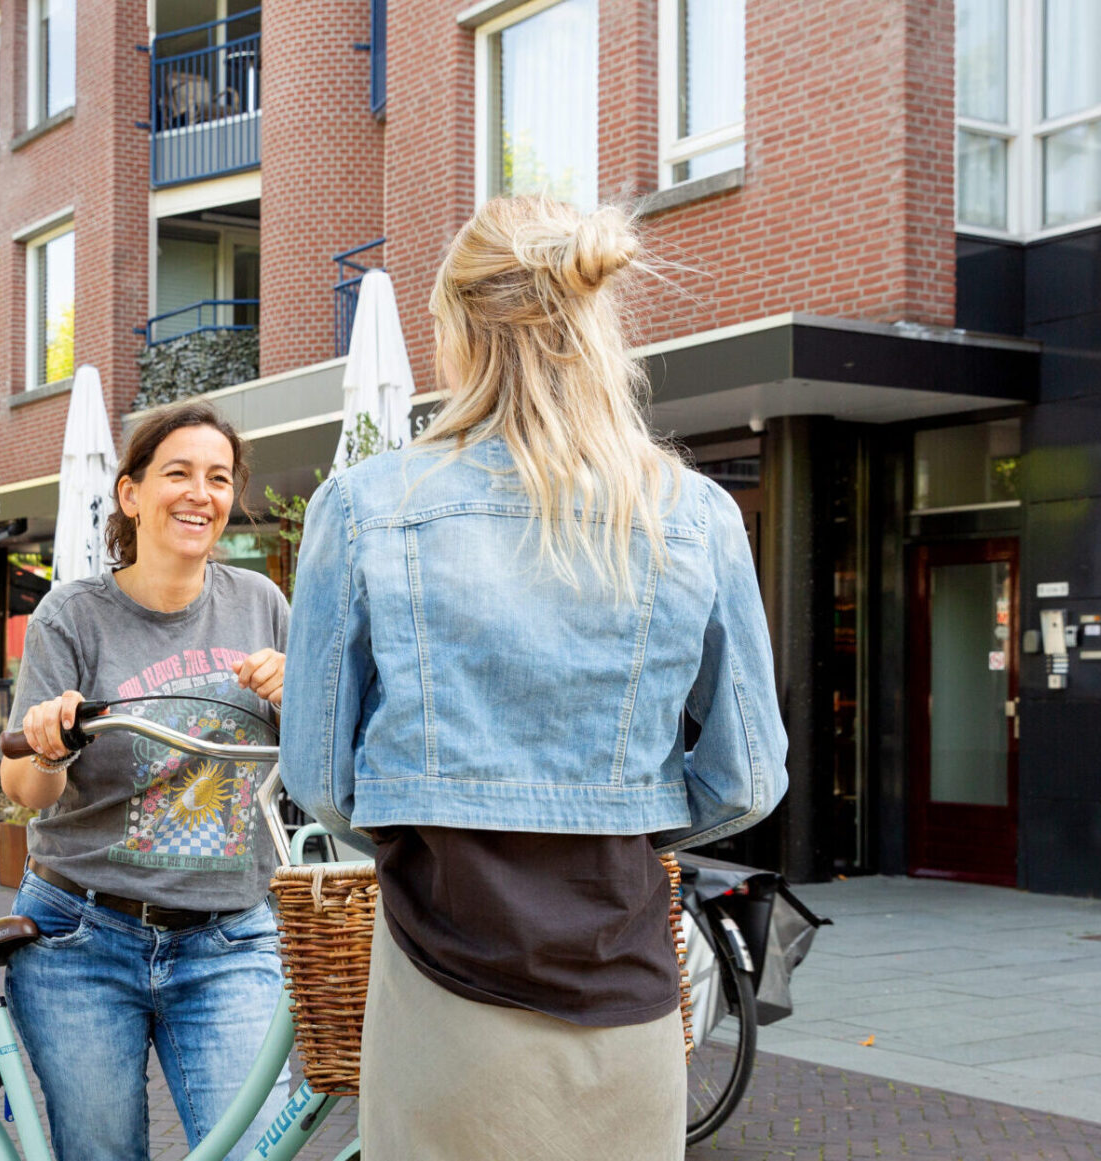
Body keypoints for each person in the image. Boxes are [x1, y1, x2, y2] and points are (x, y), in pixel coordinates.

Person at [281, 196, 789, 1159]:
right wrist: (614, 804)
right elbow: (748, 779)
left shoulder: (365, 508)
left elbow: (319, 776)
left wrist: (432, 812)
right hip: (627, 996)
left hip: (439, 992)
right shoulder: (696, 515)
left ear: (460, 331)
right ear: (594, 325)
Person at [0, 401, 291, 1161]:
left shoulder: (262, 605)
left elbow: (326, 763)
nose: (202, 493)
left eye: (219, 478)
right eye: (179, 473)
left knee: (257, 1149)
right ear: (131, 493)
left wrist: (300, 699)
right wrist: (50, 747)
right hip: (82, 938)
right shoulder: (72, 616)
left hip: (228, 937)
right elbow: (25, 792)